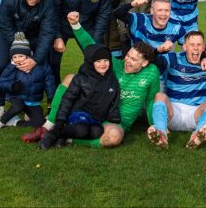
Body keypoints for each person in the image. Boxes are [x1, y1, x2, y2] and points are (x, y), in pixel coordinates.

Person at [23, 11, 161, 148]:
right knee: (71, 78)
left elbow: (150, 101)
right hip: (94, 112)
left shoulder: (151, 72)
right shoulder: (115, 65)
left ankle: (68, 138)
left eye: (134, 59)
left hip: (116, 121)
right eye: (128, 56)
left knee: (114, 138)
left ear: (144, 63)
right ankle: (47, 127)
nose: (127, 60)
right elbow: (92, 47)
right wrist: (76, 25)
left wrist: (156, 126)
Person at [39, 43, 121, 149]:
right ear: (91, 62)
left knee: (97, 132)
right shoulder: (80, 78)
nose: (103, 64)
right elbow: (67, 99)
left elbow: (113, 101)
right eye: (98, 61)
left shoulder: (112, 80)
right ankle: (53, 134)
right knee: (82, 130)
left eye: (106, 60)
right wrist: (60, 121)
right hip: (78, 113)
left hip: (95, 118)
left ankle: (63, 137)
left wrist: (114, 115)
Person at [147, 31, 206, 149]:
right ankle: (161, 134)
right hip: (173, 112)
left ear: (203, 48)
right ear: (184, 47)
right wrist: (158, 50)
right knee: (160, 96)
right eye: (192, 45)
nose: (195, 48)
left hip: (196, 114)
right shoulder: (172, 58)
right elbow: (151, 60)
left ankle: (197, 136)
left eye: (199, 45)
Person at [50, 0, 111, 86]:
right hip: (62, 25)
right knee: (53, 61)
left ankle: (93, 90)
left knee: (96, 59)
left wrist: (97, 39)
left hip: (87, 27)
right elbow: (53, 12)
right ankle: (53, 93)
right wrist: (57, 36)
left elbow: (104, 14)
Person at [0, 32, 56, 132]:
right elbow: (2, 81)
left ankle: (14, 122)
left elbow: (49, 82)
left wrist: (51, 97)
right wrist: (12, 86)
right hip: (17, 97)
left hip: (33, 101)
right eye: (14, 57)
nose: (17, 60)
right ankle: (1, 122)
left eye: (20, 56)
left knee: (39, 123)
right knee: (17, 106)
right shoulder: (12, 67)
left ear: (28, 55)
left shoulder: (41, 66)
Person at [113, 0, 185, 51]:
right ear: (152, 11)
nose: (163, 14)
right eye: (159, 10)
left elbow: (186, 48)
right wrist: (131, 4)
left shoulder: (177, 27)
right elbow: (117, 14)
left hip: (163, 67)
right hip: (140, 66)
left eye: (167, 10)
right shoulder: (139, 20)